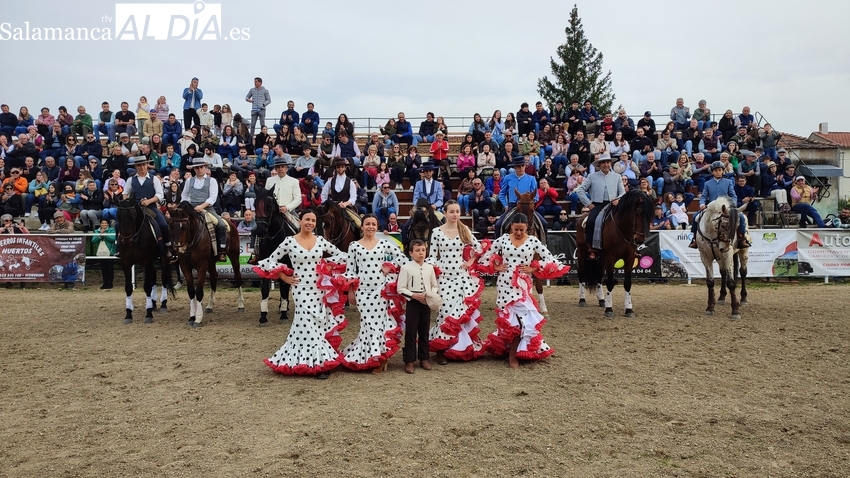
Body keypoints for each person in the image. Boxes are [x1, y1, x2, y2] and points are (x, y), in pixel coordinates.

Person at [254, 210, 348, 379]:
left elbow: (341, 255)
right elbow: (270, 260)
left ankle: (307, 360)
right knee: (306, 320)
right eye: (307, 220)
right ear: (300, 220)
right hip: (300, 288)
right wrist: (284, 276)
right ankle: (320, 365)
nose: (310, 223)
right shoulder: (289, 241)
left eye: (313, 220)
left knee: (317, 322)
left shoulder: (320, 240)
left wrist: (327, 266)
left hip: (319, 288)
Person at [476, 213, 568, 368]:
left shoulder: (533, 241)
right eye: (516, 229)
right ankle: (511, 351)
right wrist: (496, 266)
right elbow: (485, 256)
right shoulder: (503, 239)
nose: (518, 233)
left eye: (522, 230)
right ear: (511, 226)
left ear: (527, 228)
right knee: (509, 320)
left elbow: (550, 259)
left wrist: (533, 268)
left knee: (523, 319)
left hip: (523, 285)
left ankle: (515, 352)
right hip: (505, 284)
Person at [340, 215, 408, 372]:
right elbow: (350, 270)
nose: (370, 226)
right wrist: (350, 291)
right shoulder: (354, 246)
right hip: (362, 291)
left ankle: (380, 359)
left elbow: (402, 258)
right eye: (367, 224)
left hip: (380, 291)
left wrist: (390, 267)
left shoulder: (384, 243)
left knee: (379, 324)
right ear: (362, 227)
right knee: (367, 324)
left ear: (377, 227)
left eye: (373, 224)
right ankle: (370, 355)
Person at [426, 200, 486, 363]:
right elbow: (432, 255)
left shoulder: (464, 229)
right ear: (445, 213)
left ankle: (460, 346)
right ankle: (441, 348)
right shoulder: (437, 232)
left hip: (461, 277)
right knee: (445, 311)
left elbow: (479, 247)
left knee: (461, 312)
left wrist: (470, 261)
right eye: (451, 211)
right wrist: (433, 268)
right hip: (444, 277)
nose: (455, 214)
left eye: (457, 211)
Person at [397, 239, 439, 374]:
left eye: (423, 250)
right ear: (411, 253)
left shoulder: (429, 267)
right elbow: (400, 288)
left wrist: (431, 294)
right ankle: (409, 360)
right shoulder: (406, 267)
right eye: (417, 251)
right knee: (411, 331)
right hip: (413, 302)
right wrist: (412, 295)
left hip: (426, 301)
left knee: (424, 330)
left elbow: (434, 285)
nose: (421, 253)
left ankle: (424, 358)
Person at [688, 161, 751, 249]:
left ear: (722, 171)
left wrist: (732, 205)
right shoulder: (707, 183)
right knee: (695, 217)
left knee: (740, 217)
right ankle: (694, 239)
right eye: (715, 170)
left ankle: (742, 238)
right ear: (712, 172)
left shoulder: (728, 182)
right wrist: (702, 204)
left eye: (719, 170)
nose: (718, 172)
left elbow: (733, 195)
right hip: (712, 208)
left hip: (726, 208)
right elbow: (703, 196)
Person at [573, 155, 624, 259]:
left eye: (608, 162)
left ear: (611, 164)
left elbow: (622, 192)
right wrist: (588, 204)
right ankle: (592, 248)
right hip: (597, 205)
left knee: (627, 220)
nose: (606, 164)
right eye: (603, 163)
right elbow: (580, 190)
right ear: (599, 165)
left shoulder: (617, 177)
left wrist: (618, 199)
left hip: (613, 205)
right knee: (591, 221)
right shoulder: (592, 176)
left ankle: (630, 247)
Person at [123, 156, 172, 258]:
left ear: (147, 166)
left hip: (151, 207)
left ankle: (167, 246)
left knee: (163, 224)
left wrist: (148, 201)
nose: (141, 167)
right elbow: (125, 193)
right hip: (135, 208)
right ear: (135, 166)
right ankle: (119, 247)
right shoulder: (130, 180)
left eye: (143, 165)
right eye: (139, 165)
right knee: (121, 223)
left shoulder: (154, 179)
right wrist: (127, 203)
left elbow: (159, 195)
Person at [180, 157, 227, 262]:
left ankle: (221, 250)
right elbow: (185, 195)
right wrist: (188, 206)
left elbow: (213, 197)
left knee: (221, 225)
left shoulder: (212, 181)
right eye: (197, 168)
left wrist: (201, 206)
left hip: (207, 208)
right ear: (194, 169)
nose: (199, 169)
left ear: (205, 168)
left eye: (201, 167)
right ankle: (178, 248)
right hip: (191, 208)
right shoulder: (189, 180)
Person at [91, 219, 116, 289]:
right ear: (100, 224)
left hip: (110, 252)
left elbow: (113, 239)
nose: (104, 224)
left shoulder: (111, 230)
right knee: (103, 268)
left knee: (110, 268)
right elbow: (93, 240)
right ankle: (105, 282)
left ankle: (110, 283)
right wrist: (99, 235)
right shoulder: (96, 231)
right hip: (101, 252)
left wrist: (105, 235)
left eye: (105, 223)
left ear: (108, 224)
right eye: (102, 223)